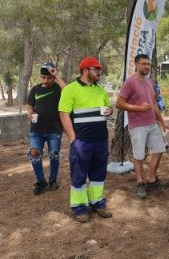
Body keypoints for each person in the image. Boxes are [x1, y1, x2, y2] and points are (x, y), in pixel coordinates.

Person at [59, 55, 113, 223]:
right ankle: (79, 207)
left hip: (101, 140)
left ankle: (97, 202)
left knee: (99, 174)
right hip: (81, 142)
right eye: (96, 69)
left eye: (99, 69)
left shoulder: (100, 89)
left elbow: (108, 109)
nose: (99, 72)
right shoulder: (70, 89)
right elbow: (64, 114)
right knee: (79, 174)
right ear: (85, 70)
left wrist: (109, 111)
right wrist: (73, 139)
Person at [116, 54, 169, 199]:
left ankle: (152, 179)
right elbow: (119, 103)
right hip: (137, 125)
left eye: (148, 64)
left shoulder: (149, 82)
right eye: (143, 64)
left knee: (159, 149)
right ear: (136, 64)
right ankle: (140, 183)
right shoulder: (130, 82)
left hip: (152, 123)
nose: (146, 66)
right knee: (139, 155)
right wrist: (137, 108)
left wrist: (162, 121)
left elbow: (154, 105)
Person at [27, 62, 66, 195]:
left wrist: (57, 75)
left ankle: (53, 180)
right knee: (34, 153)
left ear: (53, 77)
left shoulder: (58, 88)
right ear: (40, 77)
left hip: (54, 129)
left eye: (49, 77)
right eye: (43, 77)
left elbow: (68, 91)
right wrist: (30, 113)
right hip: (36, 129)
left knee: (54, 155)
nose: (46, 80)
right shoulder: (35, 89)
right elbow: (30, 105)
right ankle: (41, 181)